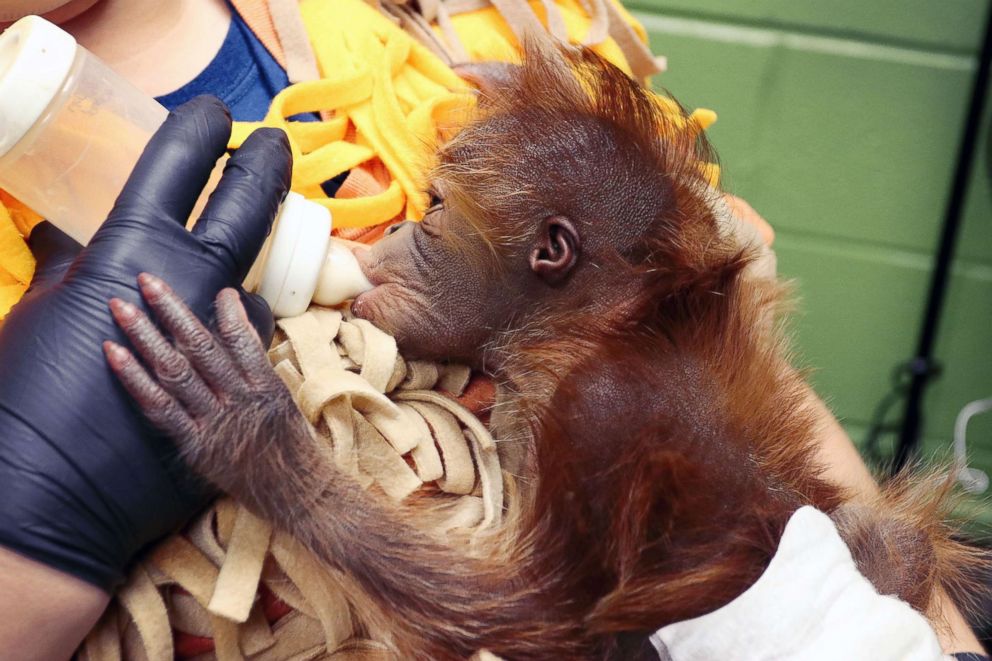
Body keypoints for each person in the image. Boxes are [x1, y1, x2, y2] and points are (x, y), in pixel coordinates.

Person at [0, 2, 985, 659]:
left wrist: (279, 467)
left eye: (424, 225)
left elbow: (523, 613)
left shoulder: (605, 398)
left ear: (551, 258)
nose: (379, 258)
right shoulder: (613, 335)